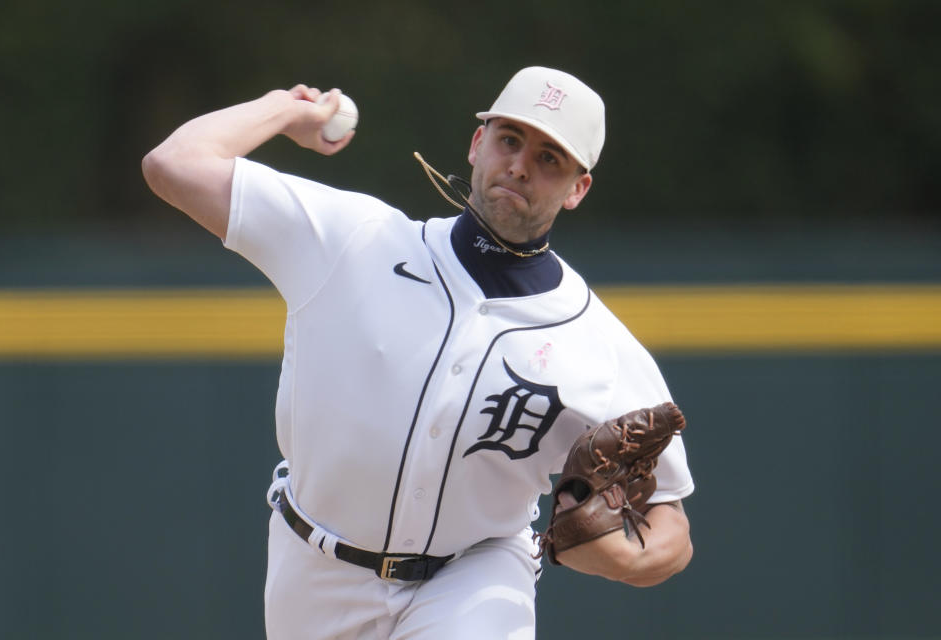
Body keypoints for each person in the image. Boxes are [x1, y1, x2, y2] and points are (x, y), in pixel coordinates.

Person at [142, 66, 694, 640]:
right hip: (312, 568)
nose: (521, 165)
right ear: (478, 144)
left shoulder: (600, 347)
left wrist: (629, 558)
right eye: (510, 139)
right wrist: (285, 110)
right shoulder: (353, 240)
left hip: (476, 577)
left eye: (550, 157)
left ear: (577, 188)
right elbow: (173, 164)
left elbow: (672, 525)